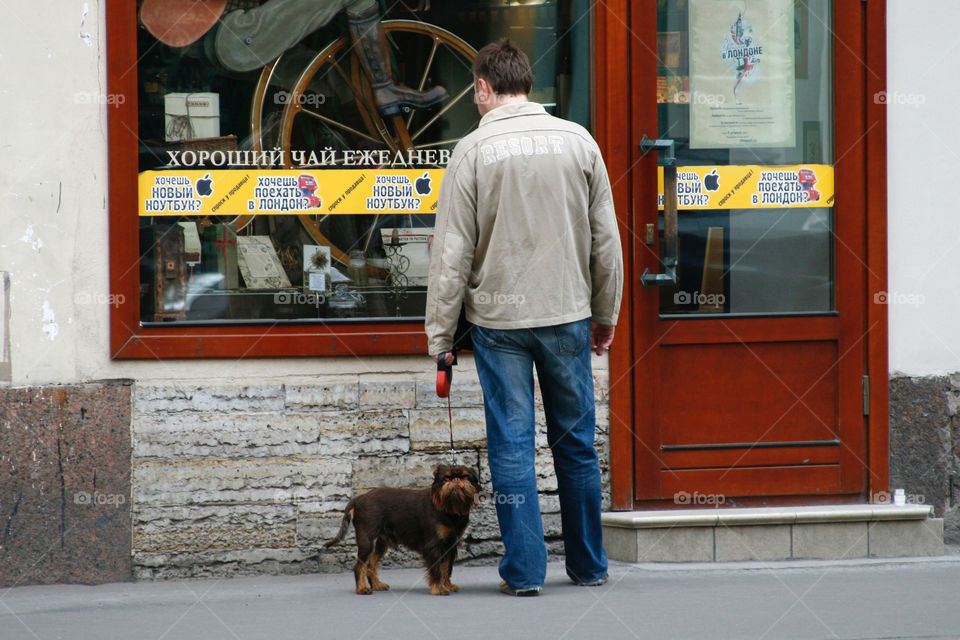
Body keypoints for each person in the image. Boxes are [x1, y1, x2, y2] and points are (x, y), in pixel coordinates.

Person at [425, 39, 623, 596]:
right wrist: (605, 315)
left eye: (474, 92)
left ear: (485, 87)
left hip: (499, 321)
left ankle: (525, 572)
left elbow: (450, 255)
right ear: (527, 86)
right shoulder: (578, 141)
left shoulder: (471, 151)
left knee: (511, 445)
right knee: (576, 443)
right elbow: (607, 243)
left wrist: (441, 335)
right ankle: (588, 566)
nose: (475, 102)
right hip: (566, 314)